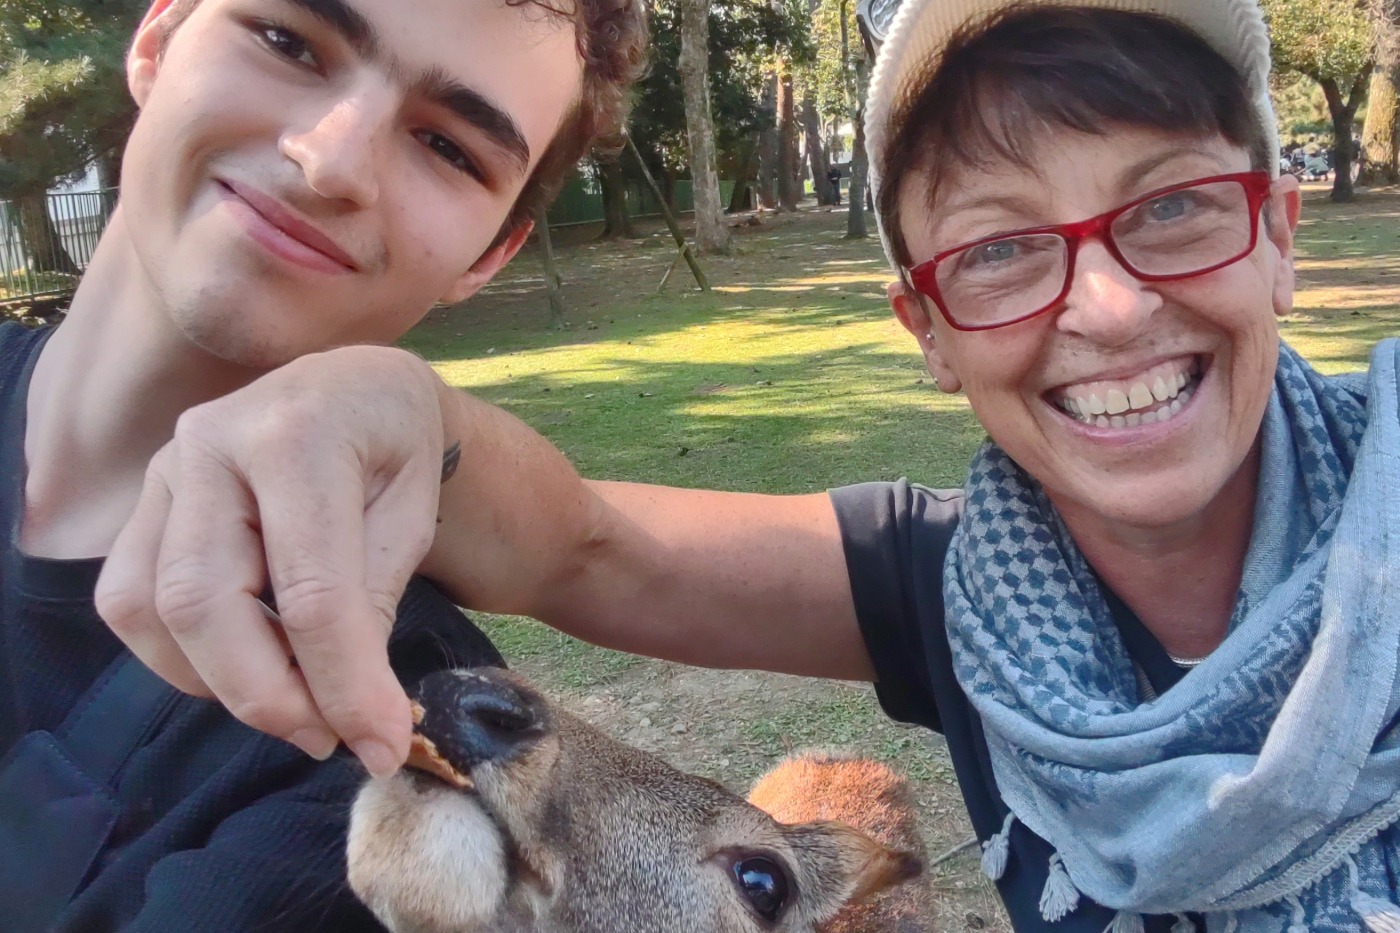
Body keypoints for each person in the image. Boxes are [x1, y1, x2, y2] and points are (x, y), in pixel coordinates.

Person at [96, 0, 1400, 931]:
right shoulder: (963, 590)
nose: (1109, 309)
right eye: (1000, 248)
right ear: (930, 331)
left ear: (1278, 234)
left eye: (1172, 206)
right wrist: (379, 400)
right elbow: (589, 540)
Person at [0, 0, 646, 928]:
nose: (330, 158)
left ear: (489, 257)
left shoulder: (400, 745)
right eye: (288, 42)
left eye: (450, 147)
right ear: (157, 40)